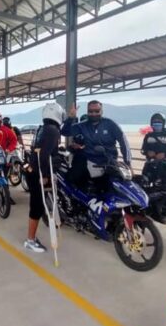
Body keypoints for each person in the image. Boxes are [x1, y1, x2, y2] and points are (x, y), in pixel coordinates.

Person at [63, 100, 131, 188]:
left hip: (109, 163)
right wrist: (70, 118)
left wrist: (128, 163)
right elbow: (65, 132)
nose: (93, 114)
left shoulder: (110, 124)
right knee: (74, 181)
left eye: (97, 111)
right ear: (87, 112)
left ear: (101, 111)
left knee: (117, 186)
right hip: (90, 161)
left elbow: (123, 142)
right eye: (90, 111)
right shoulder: (82, 126)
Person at [23, 103, 63, 253]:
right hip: (37, 173)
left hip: (32, 169)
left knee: (37, 205)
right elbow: (44, 155)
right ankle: (30, 240)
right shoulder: (53, 131)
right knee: (37, 206)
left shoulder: (43, 128)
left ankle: (31, 238)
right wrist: (45, 175)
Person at [141, 112, 166, 183]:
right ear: (151, 123)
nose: (157, 123)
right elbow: (142, 150)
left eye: (159, 122)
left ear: (163, 123)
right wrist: (147, 152)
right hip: (150, 166)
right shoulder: (148, 136)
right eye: (154, 122)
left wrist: (165, 154)